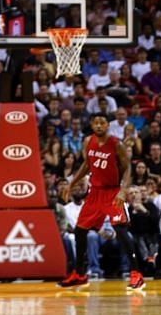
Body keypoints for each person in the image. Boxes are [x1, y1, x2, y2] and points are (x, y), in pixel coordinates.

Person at [58, 113, 146, 291]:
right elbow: (87, 165)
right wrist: (71, 184)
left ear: (108, 126)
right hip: (94, 192)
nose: (99, 125)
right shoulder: (88, 141)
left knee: (120, 230)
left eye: (102, 123)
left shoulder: (116, 144)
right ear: (91, 124)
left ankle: (137, 274)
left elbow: (128, 167)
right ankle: (80, 274)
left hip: (112, 192)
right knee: (80, 230)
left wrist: (122, 191)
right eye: (96, 122)